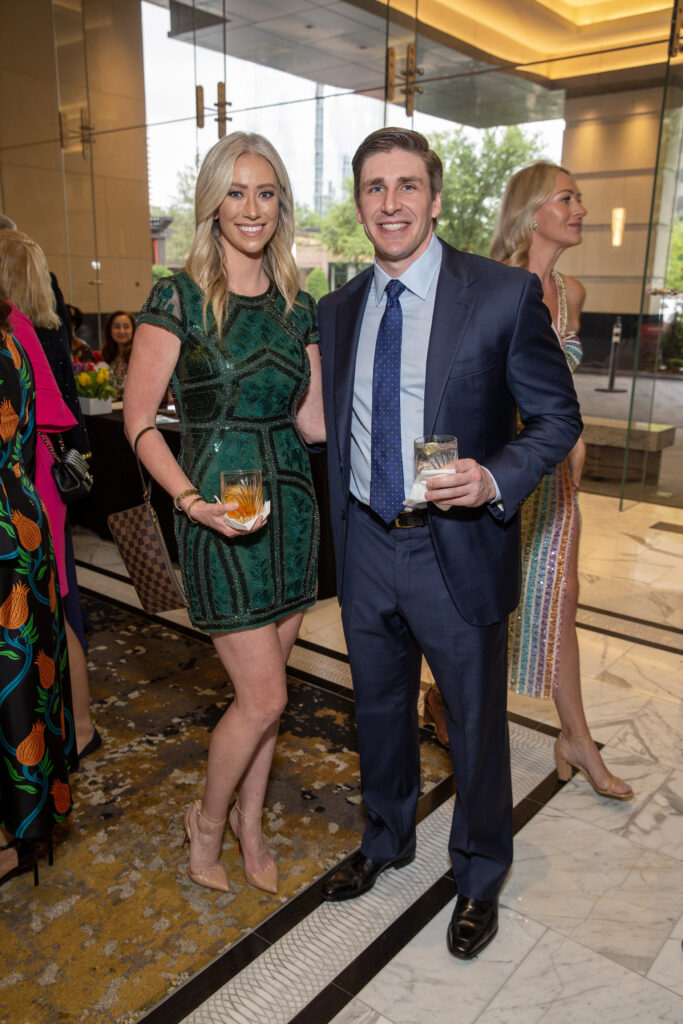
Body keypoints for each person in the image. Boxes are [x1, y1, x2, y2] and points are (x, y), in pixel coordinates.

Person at [316, 128, 582, 960]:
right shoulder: (339, 306)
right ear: (359, 203)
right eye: (372, 188)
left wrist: (494, 478)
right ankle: (387, 837)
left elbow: (557, 417)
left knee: (471, 724)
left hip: (454, 545)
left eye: (405, 186)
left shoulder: (500, 295)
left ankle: (477, 876)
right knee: (380, 711)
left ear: (434, 198)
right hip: (367, 542)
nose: (389, 203)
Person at [124, 131, 325, 896]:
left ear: (281, 204)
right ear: (213, 202)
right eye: (236, 192)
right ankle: (204, 824)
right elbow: (139, 420)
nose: (251, 208)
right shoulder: (175, 296)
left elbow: (313, 424)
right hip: (216, 512)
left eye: (266, 192)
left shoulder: (296, 304)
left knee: (265, 699)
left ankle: (250, 824)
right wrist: (189, 502)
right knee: (265, 695)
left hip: (292, 514)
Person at [489, 161, 633, 799]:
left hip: (558, 479)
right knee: (492, 602)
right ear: (532, 209)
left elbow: (561, 386)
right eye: (568, 198)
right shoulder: (499, 285)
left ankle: (574, 735)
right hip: (510, 468)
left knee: (561, 600)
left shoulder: (573, 290)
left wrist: (574, 437)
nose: (580, 209)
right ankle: (446, 700)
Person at [0, 230, 99, 761]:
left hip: (33, 481)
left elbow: (55, 415)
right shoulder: (47, 329)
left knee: (55, 610)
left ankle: (79, 726)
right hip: (40, 483)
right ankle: (74, 724)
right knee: (59, 604)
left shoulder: (17, 331)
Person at [0, 298, 75, 886]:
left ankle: (11, 836)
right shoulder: (10, 333)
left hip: (7, 533)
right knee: (23, 677)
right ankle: (28, 824)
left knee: (15, 679)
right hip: (21, 522)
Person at [102, 310, 135, 398]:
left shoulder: (139, 357)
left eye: (126, 327)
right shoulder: (106, 355)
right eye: (117, 327)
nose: (121, 331)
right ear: (110, 330)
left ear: (133, 330)